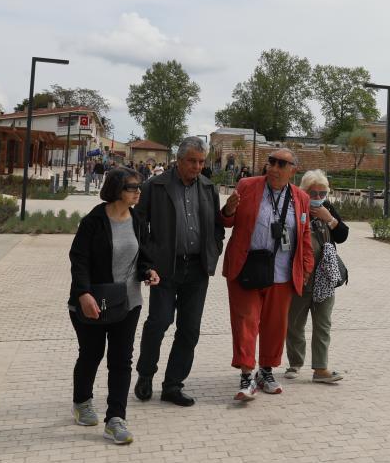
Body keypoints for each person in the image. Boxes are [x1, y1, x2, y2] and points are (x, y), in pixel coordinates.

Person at [68, 167, 160, 445]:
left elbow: (142, 255)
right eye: (133, 187)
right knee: (91, 354)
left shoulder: (137, 219)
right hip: (92, 301)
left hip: (128, 303)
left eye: (139, 187)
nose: (138, 192)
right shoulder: (94, 221)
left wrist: (148, 272)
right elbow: (79, 259)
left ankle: (115, 419)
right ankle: (82, 401)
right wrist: (83, 294)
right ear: (118, 190)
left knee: (121, 360)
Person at [134, 137, 226, 407]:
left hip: (197, 269)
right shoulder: (155, 186)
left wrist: (214, 249)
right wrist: (149, 260)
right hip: (165, 269)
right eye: (192, 161)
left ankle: (173, 384)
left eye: (201, 162)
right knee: (159, 322)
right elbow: (139, 226)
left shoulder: (209, 188)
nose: (197, 166)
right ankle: (145, 374)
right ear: (178, 159)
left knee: (190, 330)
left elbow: (217, 227)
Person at [220, 148, 314, 401]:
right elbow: (227, 221)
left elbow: (304, 235)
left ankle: (266, 371)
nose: (274, 167)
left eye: (281, 164)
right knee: (246, 323)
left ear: (293, 170)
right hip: (247, 268)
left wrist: (306, 267)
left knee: (275, 326)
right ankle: (246, 376)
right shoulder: (247, 185)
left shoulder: (301, 198)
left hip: (282, 273)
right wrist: (228, 210)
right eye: (271, 161)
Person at [285, 170, 350, 383]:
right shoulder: (294, 206)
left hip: (325, 277)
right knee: (294, 323)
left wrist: (329, 218)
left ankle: (320, 368)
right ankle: (295, 363)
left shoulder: (327, 208)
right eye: (314, 192)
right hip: (300, 276)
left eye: (323, 192)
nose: (318, 197)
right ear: (305, 191)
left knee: (323, 324)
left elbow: (342, 235)